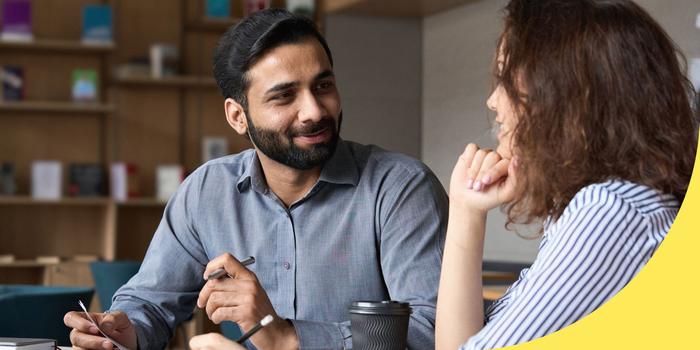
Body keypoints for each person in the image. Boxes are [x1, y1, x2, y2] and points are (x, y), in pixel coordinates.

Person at [64, 9, 448, 350]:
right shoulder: (206, 192)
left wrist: (289, 338)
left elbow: (436, 331)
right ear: (237, 116)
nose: (314, 110)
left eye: (323, 86)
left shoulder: (400, 187)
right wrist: (122, 331)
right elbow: (150, 303)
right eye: (284, 97)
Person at [436, 0, 699, 349]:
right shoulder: (603, 206)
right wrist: (466, 209)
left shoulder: (610, 212)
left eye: (505, 79)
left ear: (560, 91)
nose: (493, 100)